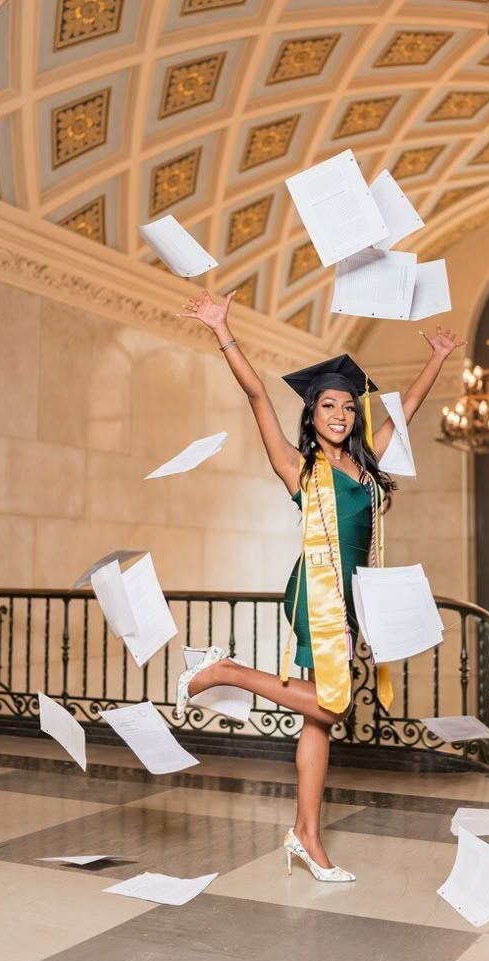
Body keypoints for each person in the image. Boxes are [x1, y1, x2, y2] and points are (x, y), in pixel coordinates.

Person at [176, 288, 464, 881]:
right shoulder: (297, 466)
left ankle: (306, 835)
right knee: (332, 702)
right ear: (311, 412)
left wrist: (436, 357)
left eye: (347, 407)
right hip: (316, 593)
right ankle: (223, 671)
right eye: (327, 405)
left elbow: (403, 411)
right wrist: (221, 328)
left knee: (320, 719)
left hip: (353, 596)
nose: (339, 414)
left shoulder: (368, 463)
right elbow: (256, 394)